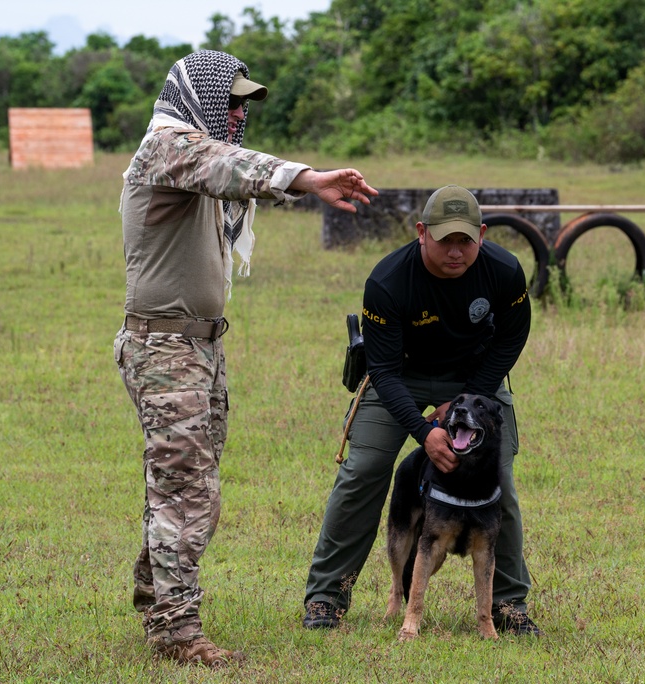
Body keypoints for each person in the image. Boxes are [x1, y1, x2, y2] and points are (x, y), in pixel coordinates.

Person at [114, 49, 377, 668]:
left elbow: (225, 168)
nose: (238, 112)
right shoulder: (168, 148)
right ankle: (175, 632)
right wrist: (306, 178)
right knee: (188, 491)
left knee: (181, 482)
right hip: (166, 348)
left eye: (244, 103)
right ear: (197, 95)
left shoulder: (192, 159)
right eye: (230, 100)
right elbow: (227, 164)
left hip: (197, 345)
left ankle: (157, 590)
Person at [302, 185, 541, 636]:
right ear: (421, 233)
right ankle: (326, 595)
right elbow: (384, 372)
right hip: (402, 378)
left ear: (482, 235)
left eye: (465, 240)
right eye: (445, 239)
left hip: (474, 381)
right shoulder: (388, 281)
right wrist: (424, 430)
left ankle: (509, 605)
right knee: (365, 469)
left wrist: (469, 396)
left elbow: (511, 338)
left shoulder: (505, 272)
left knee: (501, 481)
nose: (456, 251)